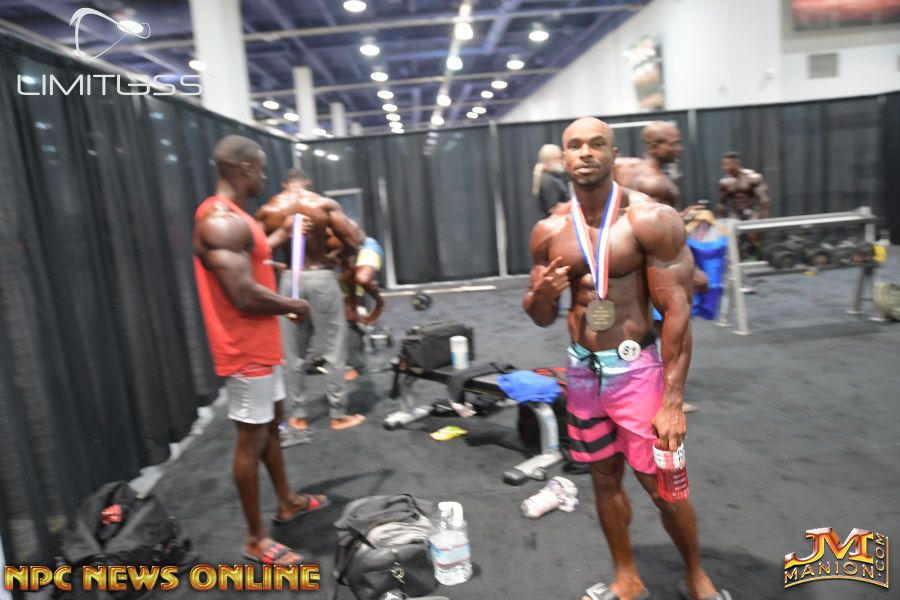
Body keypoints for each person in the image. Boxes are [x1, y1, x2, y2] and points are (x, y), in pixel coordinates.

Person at [524, 118, 729, 600]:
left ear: (614, 154)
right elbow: (540, 316)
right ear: (563, 158)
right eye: (575, 145)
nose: (586, 153)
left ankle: (696, 575)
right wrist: (542, 295)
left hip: (636, 371)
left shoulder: (650, 219)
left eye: (597, 144)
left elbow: (677, 312)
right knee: (602, 477)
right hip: (582, 372)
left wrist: (673, 402)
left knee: (663, 486)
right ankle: (627, 578)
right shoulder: (549, 230)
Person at [193, 135, 328, 566]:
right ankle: (255, 539)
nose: (266, 178)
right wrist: (293, 305)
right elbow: (242, 294)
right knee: (250, 439)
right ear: (246, 168)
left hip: (262, 343)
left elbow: (252, 258)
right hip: (244, 348)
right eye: (263, 170)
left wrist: (282, 235)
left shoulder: (238, 218)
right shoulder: (218, 219)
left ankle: (286, 501)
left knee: (271, 425)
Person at [256, 168, 365, 441]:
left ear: (284, 183)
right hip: (320, 276)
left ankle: (297, 415)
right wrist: (333, 256)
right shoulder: (322, 204)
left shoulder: (269, 209)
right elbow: (354, 241)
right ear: (308, 182)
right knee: (333, 348)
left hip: (289, 280)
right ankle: (338, 415)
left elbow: (257, 251)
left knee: (292, 353)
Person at [718, 151, 769, 259]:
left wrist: (763, 219)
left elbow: (763, 200)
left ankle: (759, 258)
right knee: (731, 236)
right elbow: (721, 203)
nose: (724, 167)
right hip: (736, 212)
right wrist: (721, 222)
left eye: (727, 164)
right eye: (723, 165)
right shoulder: (725, 182)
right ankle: (737, 261)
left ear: (735, 163)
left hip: (752, 211)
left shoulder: (753, 177)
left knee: (752, 236)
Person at [533, 143, 570, 216]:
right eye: (558, 158)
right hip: (558, 220)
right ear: (548, 160)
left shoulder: (552, 177)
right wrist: (577, 205)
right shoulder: (547, 181)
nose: (561, 161)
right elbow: (554, 208)